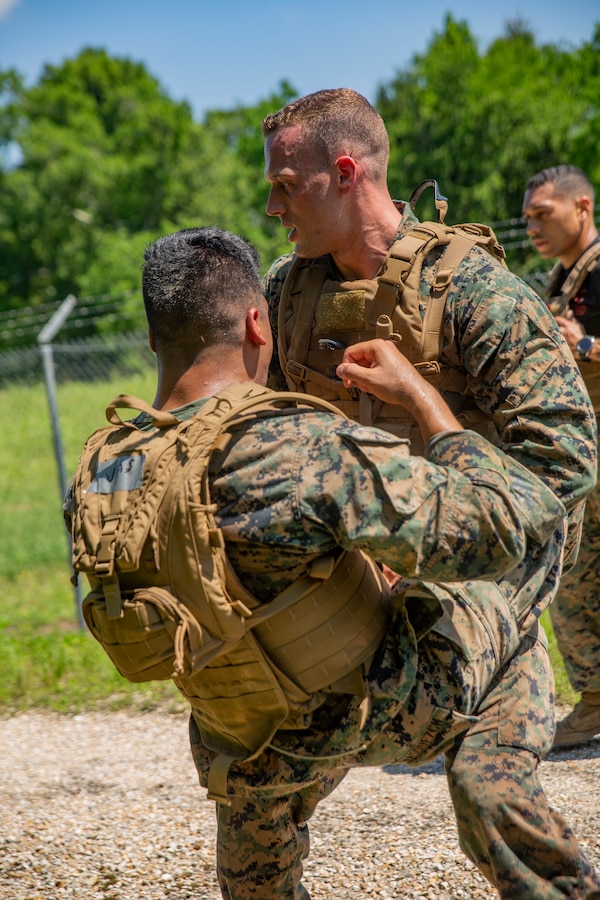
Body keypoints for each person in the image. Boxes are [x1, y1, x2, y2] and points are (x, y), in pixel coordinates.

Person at [65, 226, 600, 899]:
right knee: (506, 587)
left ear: (153, 338)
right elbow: (498, 525)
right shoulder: (292, 449)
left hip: (248, 733)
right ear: (258, 326)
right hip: (378, 707)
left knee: (256, 856)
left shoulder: (106, 464)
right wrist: (423, 401)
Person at [260, 90, 599, 895]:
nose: (271, 204)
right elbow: (271, 426)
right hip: (363, 564)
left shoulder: (476, 292)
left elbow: (565, 464)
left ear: (345, 174)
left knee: (488, 792)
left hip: (491, 561)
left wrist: (431, 425)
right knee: (253, 774)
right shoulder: (288, 291)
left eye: (285, 184)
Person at [523, 164, 600, 746]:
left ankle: (595, 700)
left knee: (574, 575)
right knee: (576, 574)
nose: (532, 229)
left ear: (583, 208)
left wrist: (585, 343)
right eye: (527, 219)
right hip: (586, 446)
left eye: (543, 215)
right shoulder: (564, 276)